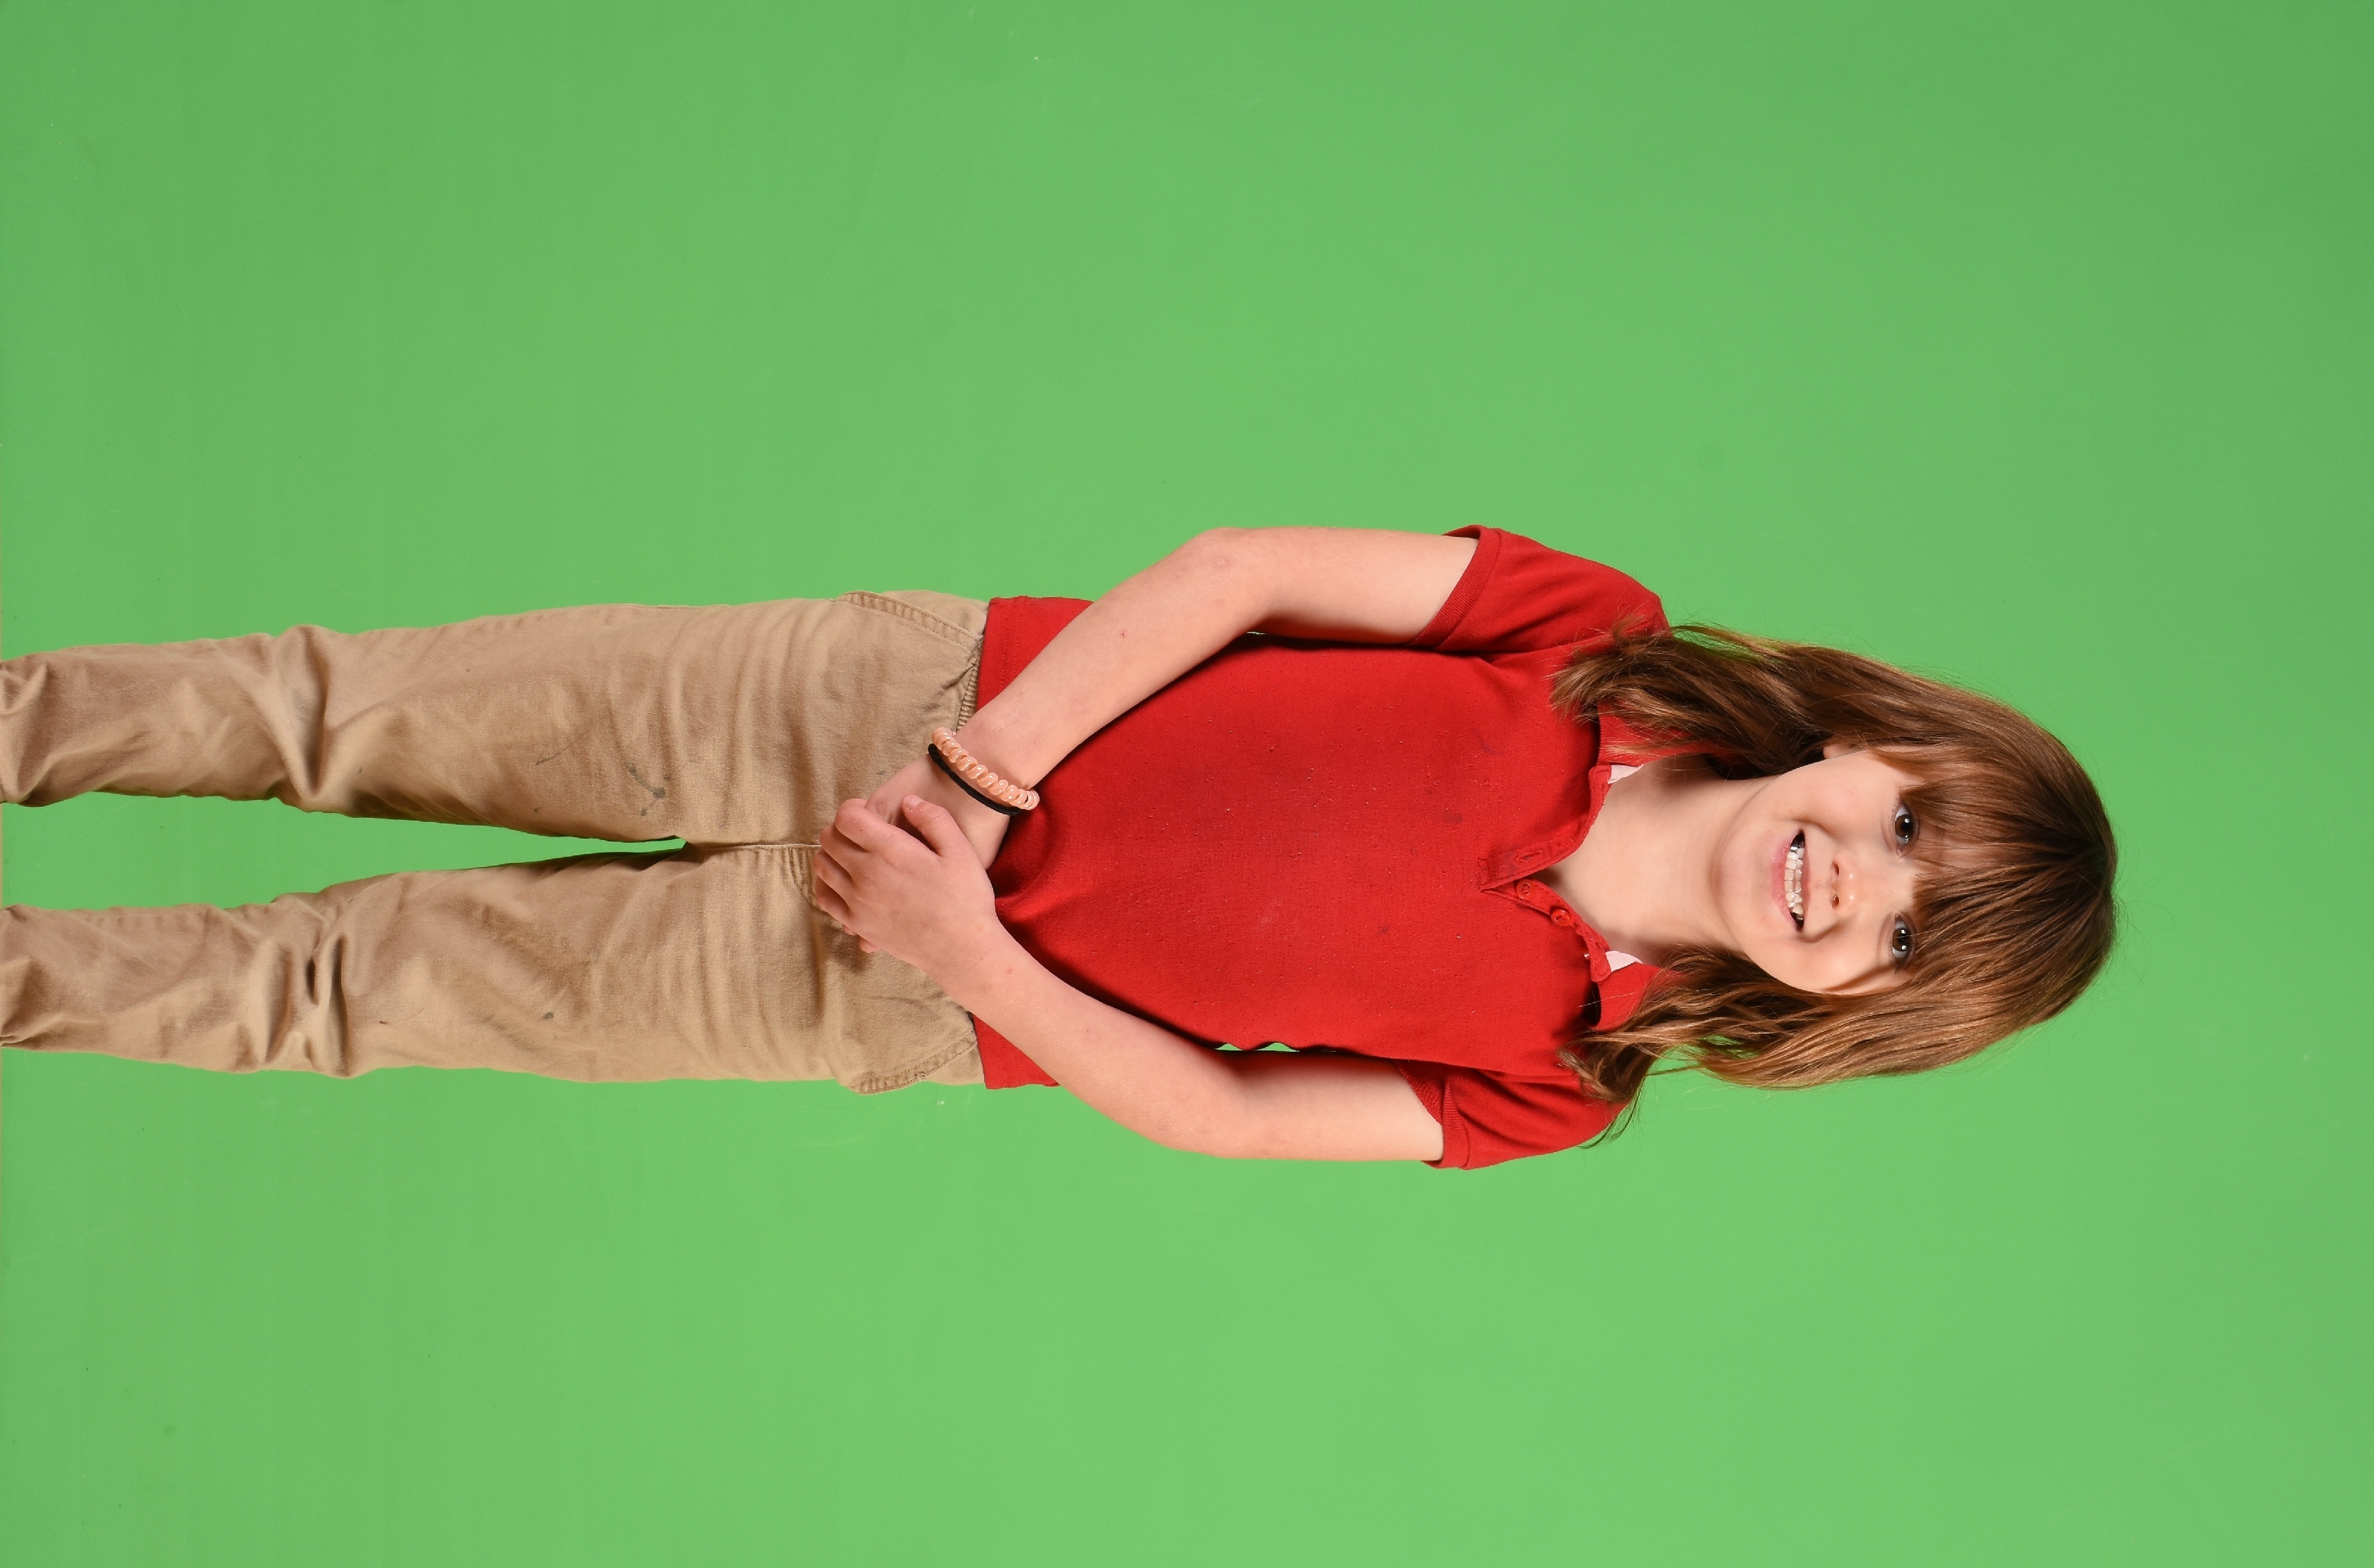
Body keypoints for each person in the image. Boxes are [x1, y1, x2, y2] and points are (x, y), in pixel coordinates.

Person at [0, 526, 2116, 1167]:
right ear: (1872, 742)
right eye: (1904, 827)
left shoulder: (1554, 1080)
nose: (1856, 881)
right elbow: (1238, 570)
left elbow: (1226, 1112)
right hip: (894, 701)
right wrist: (986, 768)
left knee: (344, 991)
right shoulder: (1590, 639)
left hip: (887, 985)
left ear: (1858, 1009)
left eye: (1899, 934)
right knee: (341, 709)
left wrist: (963, 944)